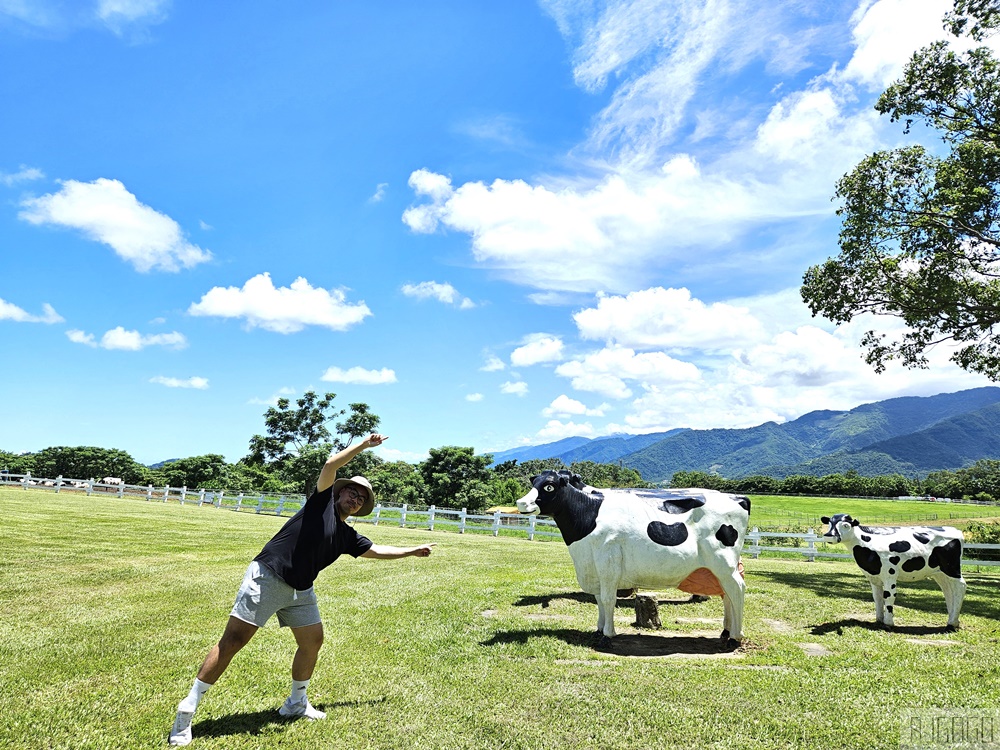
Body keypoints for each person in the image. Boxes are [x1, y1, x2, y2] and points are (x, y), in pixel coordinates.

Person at [168, 433, 435, 746]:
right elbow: (329, 464)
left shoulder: (348, 536)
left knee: (313, 640)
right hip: (269, 575)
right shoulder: (320, 502)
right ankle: (187, 710)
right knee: (233, 641)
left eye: (361, 498)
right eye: (352, 491)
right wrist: (363, 445)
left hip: (301, 590)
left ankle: (296, 703)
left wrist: (412, 551)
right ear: (339, 492)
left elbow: (376, 550)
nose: (355, 498)